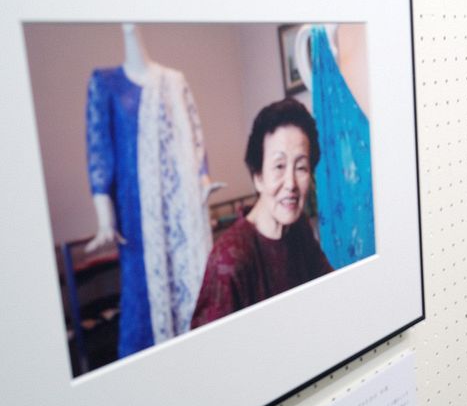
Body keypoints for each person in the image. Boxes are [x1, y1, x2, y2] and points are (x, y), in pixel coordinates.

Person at [85, 24, 214, 359]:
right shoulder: (106, 84)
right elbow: (100, 152)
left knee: (193, 302)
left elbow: (196, 142)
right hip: (135, 224)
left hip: (180, 219)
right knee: (142, 313)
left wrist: (202, 185)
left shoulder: (174, 82)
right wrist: (104, 218)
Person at [190, 99, 332, 328]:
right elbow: (208, 357)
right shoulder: (230, 258)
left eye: (301, 167)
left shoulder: (299, 228)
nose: (291, 184)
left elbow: (330, 291)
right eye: (279, 166)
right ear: (258, 177)